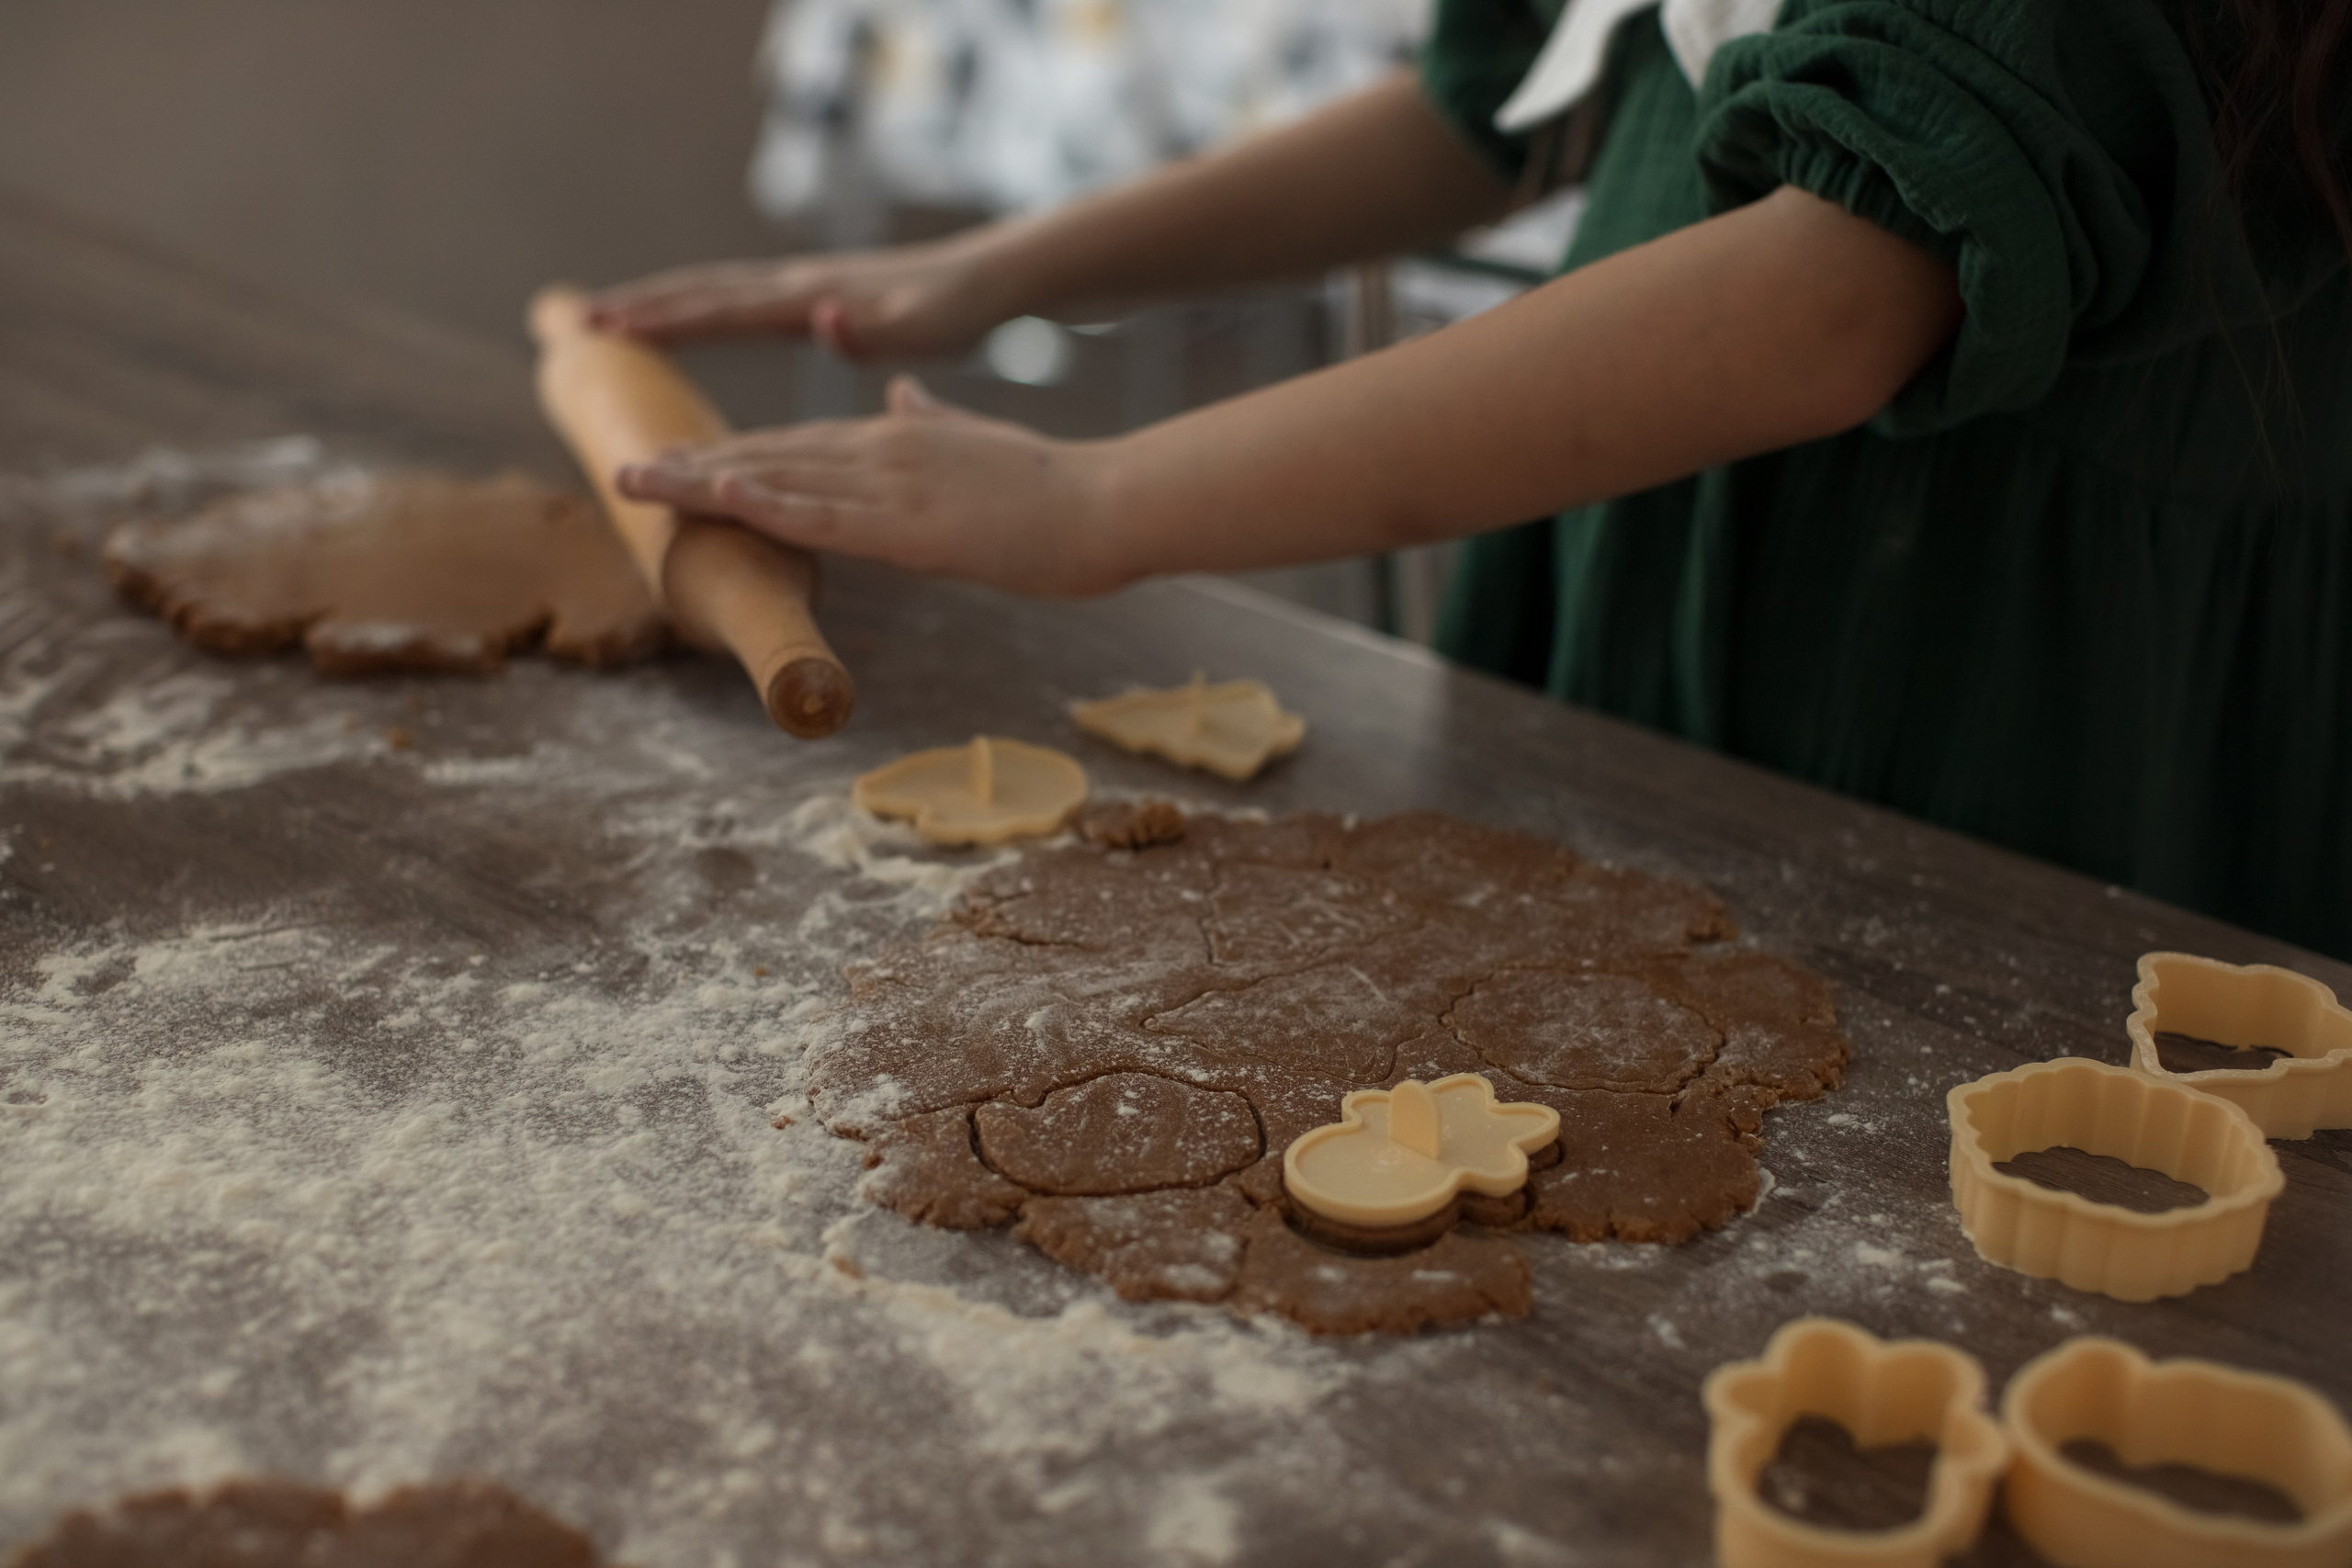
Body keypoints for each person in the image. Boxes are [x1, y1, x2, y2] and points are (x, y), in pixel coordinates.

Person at [588, 0, 2350, 962]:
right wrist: (1006, 268)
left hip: (1995, 673)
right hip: (1702, 566)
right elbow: (1511, 93)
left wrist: (1096, 505)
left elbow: (1836, 293)